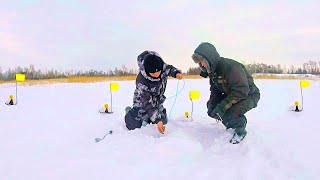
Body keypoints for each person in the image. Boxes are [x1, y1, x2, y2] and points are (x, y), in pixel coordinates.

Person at [191, 42, 260, 144]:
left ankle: (240, 128)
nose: (201, 65)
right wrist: (212, 104)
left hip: (249, 95)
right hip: (232, 95)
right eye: (199, 63)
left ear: (209, 58)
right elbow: (215, 90)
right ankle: (230, 122)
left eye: (202, 61)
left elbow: (241, 91)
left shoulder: (231, 67)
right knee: (214, 109)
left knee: (229, 114)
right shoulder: (213, 71)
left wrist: (222, 107)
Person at [125, 51, 183, 134]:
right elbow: (148, 104)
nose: (156, 75)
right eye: (153, 73)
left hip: (157, 101)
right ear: (147, 71)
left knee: (163, 121)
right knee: (134, 125)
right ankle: (130, 111)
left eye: (158, 72)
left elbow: (169, 69)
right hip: (142, 102)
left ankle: (149, 117)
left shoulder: (161, 66)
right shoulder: (142, 81)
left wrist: (176, 73)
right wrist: (157, 120)